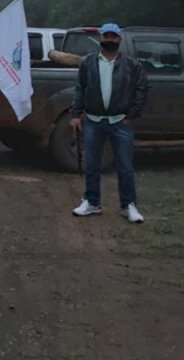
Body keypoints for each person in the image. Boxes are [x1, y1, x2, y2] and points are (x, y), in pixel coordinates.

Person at [70, 23, 147, 223]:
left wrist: (131, 115)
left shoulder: (132, 65)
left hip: (120, 122)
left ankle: (128, 206)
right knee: (92, 165)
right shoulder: (87, 62)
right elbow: (80, 89)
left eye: (114, 37)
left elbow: (141, 90)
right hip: (93, 121)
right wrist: (76, 114)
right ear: (100, 38)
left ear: (119, 40)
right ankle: (92, 203)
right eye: (106, 36)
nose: (110, 40)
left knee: (125, 167)